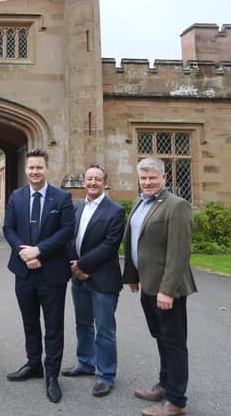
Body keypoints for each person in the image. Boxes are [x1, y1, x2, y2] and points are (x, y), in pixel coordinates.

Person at [123, 157, 197, 416]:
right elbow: (134, 240)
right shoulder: (139, 201)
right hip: (148, 285)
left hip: (168, 289)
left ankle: (176, 401)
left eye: (152, 178)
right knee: (161, 338)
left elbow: (179, 253)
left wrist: (168, 290)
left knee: (174, 342)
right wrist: (132, 276)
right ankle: (165, 384)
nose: (147, 182)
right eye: (143, 178)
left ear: (164, 178)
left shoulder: (177, 206)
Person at [3, 148, 74, 403]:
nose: (34, 172)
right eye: (31, 168)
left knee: (53, 327)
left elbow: (67, 231)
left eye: (39, 167)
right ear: (26, 169)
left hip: (52, 273)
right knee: (30, 321)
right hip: (23, 272)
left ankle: (52, 375)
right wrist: (24, 253)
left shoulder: (62, 198)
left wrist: (39, 251)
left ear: (47, 169)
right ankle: (34, 364)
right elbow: (8, 228)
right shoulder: (16, 196)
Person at [61, 165, 125, 398]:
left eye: (98, 179)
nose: (93, 182)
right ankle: (86, 362)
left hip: (102, 279)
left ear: (105, 183)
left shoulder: (115, 211)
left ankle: (106, 375)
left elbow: (109, 246)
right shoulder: (76, 207)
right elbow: (69, 237)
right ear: (84, 182)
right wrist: (73, 265)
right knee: (83, 323)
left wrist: (82, 266)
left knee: (105, 330)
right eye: (89, 179)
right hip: (78, 278)